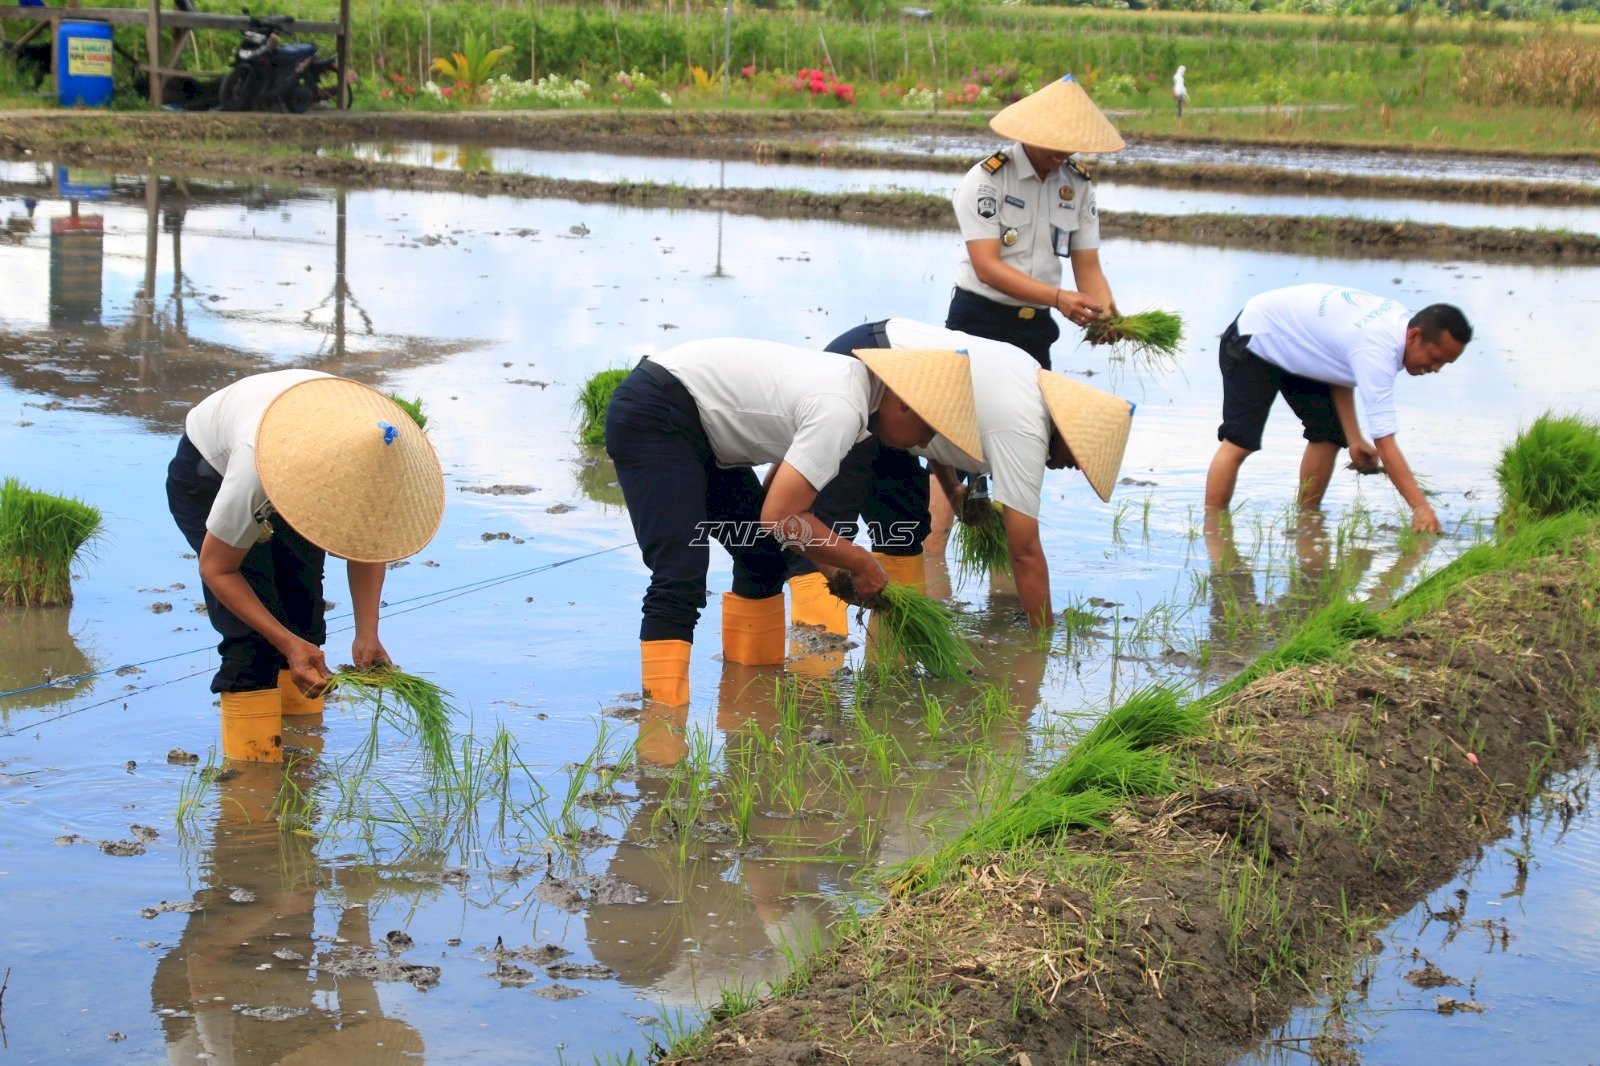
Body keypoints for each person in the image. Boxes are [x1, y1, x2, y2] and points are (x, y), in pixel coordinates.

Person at [604, 339, 983, 706]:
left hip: (704, 432)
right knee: (680, 573)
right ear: (904, 404)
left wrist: (835, 573)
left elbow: (780, 498)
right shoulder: (843, 407)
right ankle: (662, 727)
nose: (926, 443)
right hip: (659, 413)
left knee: (765, 555)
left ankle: (750, 698)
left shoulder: (854, 396)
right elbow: (781, 516)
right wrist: (860, 561)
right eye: (930, 429)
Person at [787, 318, 1134, 633]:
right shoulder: (1026, 430)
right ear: (1068, 431)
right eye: (1082, 457)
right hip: (869, 368)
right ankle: (815, 662)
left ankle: (892, 666)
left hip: (898, 391)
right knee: (827, 524)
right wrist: (1043, 636)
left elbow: (939, 420)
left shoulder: (1026, 381)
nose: (1078, 467)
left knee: (903, 527)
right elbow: (1025, 553)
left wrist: (952, 487)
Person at [166, 370, 445, 762]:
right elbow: (217, 569)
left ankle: (301, 764)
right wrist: (285, 644)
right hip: (212, 473)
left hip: (296, 455)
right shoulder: (254, 467)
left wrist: (367, 634)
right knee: (253, 644)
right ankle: (254, 781)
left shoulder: (375, 456)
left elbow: (367, 545)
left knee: (304, 621)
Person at [1203, 285, 1472, 533]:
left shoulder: (1396, 325)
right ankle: (1212, 530)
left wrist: (1354, 438)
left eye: (1444, 364)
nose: (1436, 369)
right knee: (1240, 441)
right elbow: (1385, 443)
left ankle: (1306, 521)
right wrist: (1421, 508)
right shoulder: (1378, 348)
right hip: (1255, 336)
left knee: (1330, 433)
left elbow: (1337, 365)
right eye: (1435, 358)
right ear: (1414, 335)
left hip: (1298, 345)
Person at [947, 74, 1126, 370]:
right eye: (1054, 141)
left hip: (1036, 329)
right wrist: (1057, 297)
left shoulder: (1078, 185)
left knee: (1036, 401)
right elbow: (986, 267)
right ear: (1031, 132)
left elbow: (1088, 267)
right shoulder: (988, 179)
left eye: (1071, 142)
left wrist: (1104, 313)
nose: (1063, 151)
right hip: (979, 322)